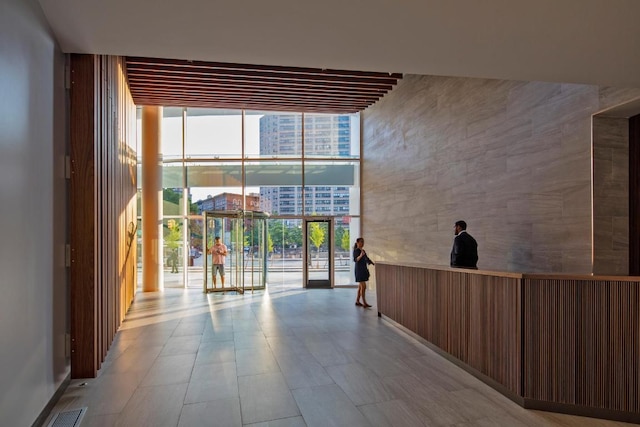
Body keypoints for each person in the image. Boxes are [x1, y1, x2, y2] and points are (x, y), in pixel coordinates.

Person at [353, 237, 374, 307]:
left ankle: (357, 301)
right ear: (357, 242)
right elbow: (355, 260)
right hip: (359, 270)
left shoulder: (363, 251)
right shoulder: (356, 251)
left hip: (363, 270)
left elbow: (367, 259)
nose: (362, 243)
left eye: (363, 242)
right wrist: (361, 255)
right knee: (363, 286)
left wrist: (372, 263)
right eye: (361, 242)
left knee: (360, 287)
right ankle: (364, 302)